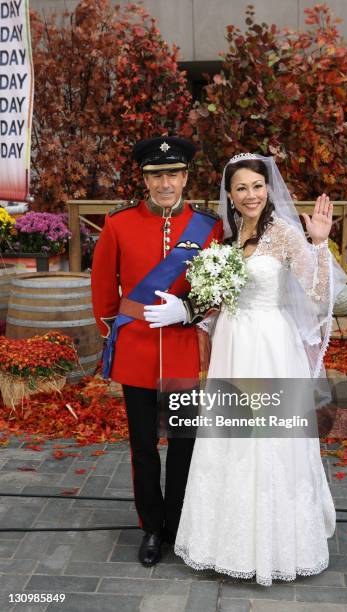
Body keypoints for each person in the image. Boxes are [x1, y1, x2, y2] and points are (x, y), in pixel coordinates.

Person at [174, 153, 347, 586]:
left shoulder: (285, 234)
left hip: (270, 346)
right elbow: (223, 298)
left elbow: (318, 295)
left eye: (257, 186)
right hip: (232, 344)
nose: (251, 195)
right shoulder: (230, 238)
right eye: (241, 188)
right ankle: (224, 543)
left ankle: (275, 548)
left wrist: (321, 243)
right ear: (230, 196)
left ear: (268, 189)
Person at [90, 136, 223, 567]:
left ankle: (178, 523)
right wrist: (114, 331)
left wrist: (189, 310)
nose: (165, 183)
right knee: (143, 446)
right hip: (137, 352)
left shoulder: (209, 227)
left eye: (173, 174)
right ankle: (151, 526)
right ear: (144, 179)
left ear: (185, 177)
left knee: (183, 443)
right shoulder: (119, 224)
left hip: (185, 349)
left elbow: (220, 287)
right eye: (156, 175)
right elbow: (102, 287)